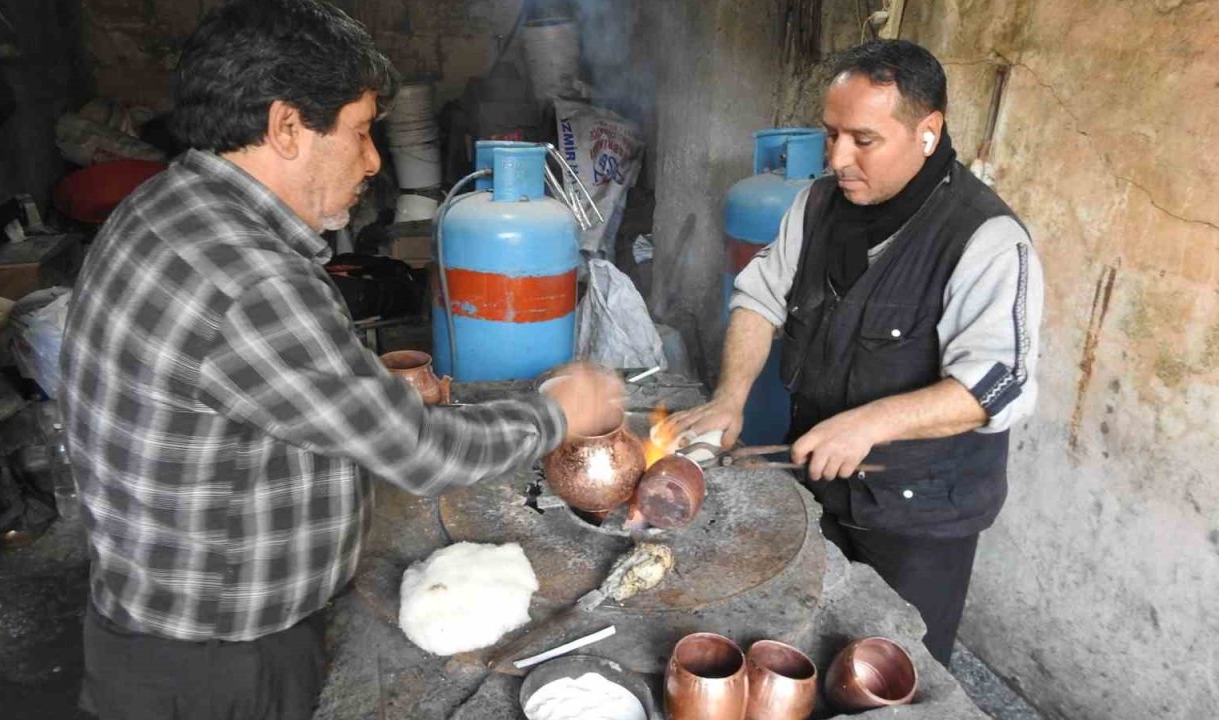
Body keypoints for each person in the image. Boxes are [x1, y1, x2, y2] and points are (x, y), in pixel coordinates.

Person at [57, 2, 623, 718]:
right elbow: (418, 453)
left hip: (155, 623)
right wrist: (556, 412)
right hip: (216, 664)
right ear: (286, 126)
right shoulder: (252, 278)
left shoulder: (165, 206)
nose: (374, 159)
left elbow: (253, 386)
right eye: (359, 132)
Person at [662, 39, 1043, 666]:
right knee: (802, 653)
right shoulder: (817, 205)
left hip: (918, 517)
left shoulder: (986, 239)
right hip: (817, 488)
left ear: (927, 132)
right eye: (831, 133)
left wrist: (869, 423)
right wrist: (729, 399)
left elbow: (997, 386)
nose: (838, 158)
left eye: (862, 140)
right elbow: (759, 298)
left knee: (889, 674)